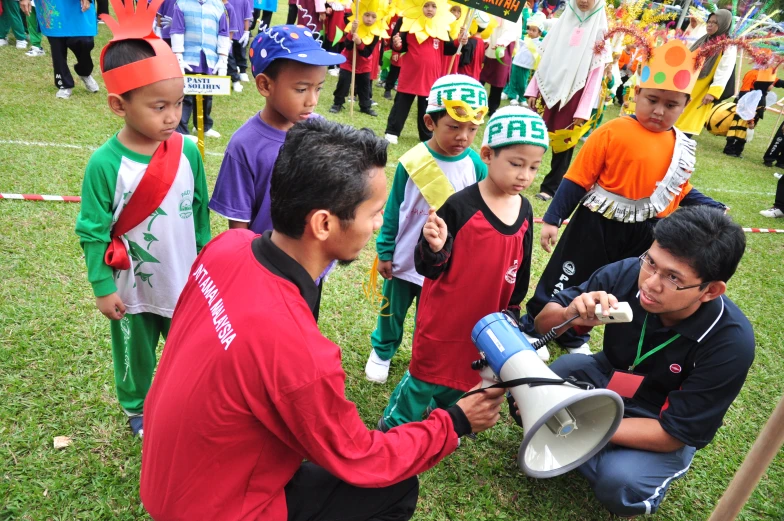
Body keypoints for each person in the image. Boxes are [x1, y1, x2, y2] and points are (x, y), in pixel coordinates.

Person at [139, 118, 506, 521]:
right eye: (375, 213)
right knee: (394, 487)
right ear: (324, 223)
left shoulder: (227, 247)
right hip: (220, 510)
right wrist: (454, 421)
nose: (380, 225)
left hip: (166, 484)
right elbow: (362, 458)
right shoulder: (299, 350)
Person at [525, 206, 754, 516]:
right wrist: (570, 314)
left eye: (673, 277)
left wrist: (583, 424)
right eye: (651, 262)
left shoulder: (730, 343)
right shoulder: (629, 272)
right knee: (545, 383)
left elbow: (674, 433)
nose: (649, 282)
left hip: (659, 417)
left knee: (621, 484)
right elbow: (542, 325)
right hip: (609, 375)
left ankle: (599, 450)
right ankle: (589, 445)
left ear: (710, 290)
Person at [518, 39, 726, 355]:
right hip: (597, 223)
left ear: (684, 105)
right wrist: (552, 218)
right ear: (636, 94)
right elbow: (577, 179)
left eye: (671, 105)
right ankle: (536, 326)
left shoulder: (680, 145)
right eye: (652, 100)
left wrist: (713, 207)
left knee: (612, 286)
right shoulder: (612, 131)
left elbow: (678, 190)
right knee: (570, 273)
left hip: (648, 233)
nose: (659, 110)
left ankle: (573, 335)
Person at [74, 0, 210, 438]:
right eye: (159, 106)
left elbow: (199, 213)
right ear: (119, 105)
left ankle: (186, 402)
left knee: (192, 350)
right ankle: (137, 408)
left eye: (180, 103)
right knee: (137, 353)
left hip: (186, 278)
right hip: (134, 283)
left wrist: (207, 264)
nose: (174, 116)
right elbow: (92, 230)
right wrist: (101, 286)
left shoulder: (188, 150)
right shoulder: (104, 164)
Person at [379, 106, 546, 430]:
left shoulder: (525, 208)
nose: (524, 175)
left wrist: (512, 310)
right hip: (444, 318)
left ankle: (442, 420)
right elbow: (430, 268)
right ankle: (393, 426)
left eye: (534, 167)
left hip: (486, 319)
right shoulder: (459, 205)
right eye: (515, 164)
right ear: (487, 154)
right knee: (425, 376)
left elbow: (521, 266)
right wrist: (434, 247)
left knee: (464, 376)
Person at [365, 74, 489, 384]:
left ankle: (420, 359)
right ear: (430, 122)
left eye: (472, 129)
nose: (463, 136)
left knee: (431, 318)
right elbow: (394, 209)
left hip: (445, 262)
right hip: (405, 256)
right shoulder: (413, 160)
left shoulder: (477, 166)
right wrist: (385, 251)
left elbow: (481, 217)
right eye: (454, 126)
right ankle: (382, 351)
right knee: (391, 311)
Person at [209, 24, 344, 242]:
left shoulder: (321, 132)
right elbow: (238, 231)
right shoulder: (244, 145)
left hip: (311, 263)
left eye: (318, 88)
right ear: (264, 85)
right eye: (301, 89)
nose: (312, 101)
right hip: (265, 265)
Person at [525, 0, 609, 201]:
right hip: (548, 88)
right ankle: (524, 176)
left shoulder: (600, 32)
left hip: (574, 93)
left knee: (563, 144)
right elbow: (544, 60)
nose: (584, 1)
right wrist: (533, 90)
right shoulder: (562, 23)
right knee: (534, 137)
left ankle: (550, 187)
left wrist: (583, 110)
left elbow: (595, 75)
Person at [383, 0, 465, 144]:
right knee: (402, 103)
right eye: (426, 5)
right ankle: (392, 131)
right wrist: (396, 44)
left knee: (427, 108)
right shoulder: (408, 22)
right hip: (411, 73)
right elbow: (398, 44)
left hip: (430, 76)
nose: (429, 9)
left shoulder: (441, 27)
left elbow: (449, 49)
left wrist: (460, 41)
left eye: (433, 6)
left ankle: (426, 135)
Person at [170, 0, 231, 138]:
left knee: (207, 94)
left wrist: (223, 59)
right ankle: (181, 129)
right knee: (185, 94)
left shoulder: (219, 6)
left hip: (209, 58)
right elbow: (177, 30)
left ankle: (203, 126)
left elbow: (223, 33)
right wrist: (178, 56)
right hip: (188, 58)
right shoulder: (181, 4)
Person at [20, 0, 99, 99]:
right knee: (57, 44)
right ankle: (64, 84)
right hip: (53, 4)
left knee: (85, 41)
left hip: (77, 5)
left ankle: (84, 72)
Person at [675, 9, 736, 137]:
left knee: (688, 120)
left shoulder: (727, 45)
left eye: (715, 22)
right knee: (676, 114)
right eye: (709, 21)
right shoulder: (703, 39)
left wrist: (713, 93)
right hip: (687, 83)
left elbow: (724, 70)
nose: (710, 25)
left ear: (724, 24)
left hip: (703, 89)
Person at [329, 4, 383, 116]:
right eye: (367, 15)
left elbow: (367, 52)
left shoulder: (376, 33)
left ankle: (365, 106)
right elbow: (347, 46)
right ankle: (338, 103)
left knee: (364, 85)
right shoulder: (353, 27)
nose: (369, 19)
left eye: (373, 17)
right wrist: (352, 33)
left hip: (364, 62)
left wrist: (359, 43)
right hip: (348, 60)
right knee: (344, 82)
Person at [481, 15, 522, 117]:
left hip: (504, 45)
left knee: (498, 78)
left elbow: (513, 29)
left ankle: (493, 107)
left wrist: (502, 42)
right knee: (480, 75)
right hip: (489, 38)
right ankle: (476, 102)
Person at [505, 12, 545, 106]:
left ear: (539, 33)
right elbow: (519, 33)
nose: (530, 32)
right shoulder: (524, 38)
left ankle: (522, 97)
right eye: (529, 29)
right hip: (516, 62)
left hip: (526, 65)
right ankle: (513, 96)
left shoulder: (540, 43)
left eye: (534, 30)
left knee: (523, 83)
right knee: (513, 80)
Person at [227, 0, 252, 92]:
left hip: (239, 32)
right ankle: (235, 79)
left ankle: (242, 71)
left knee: (240, 52)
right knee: (229, 57)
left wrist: (246, 31)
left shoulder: (244, 1)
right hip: (225, 33)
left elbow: (247, 17)